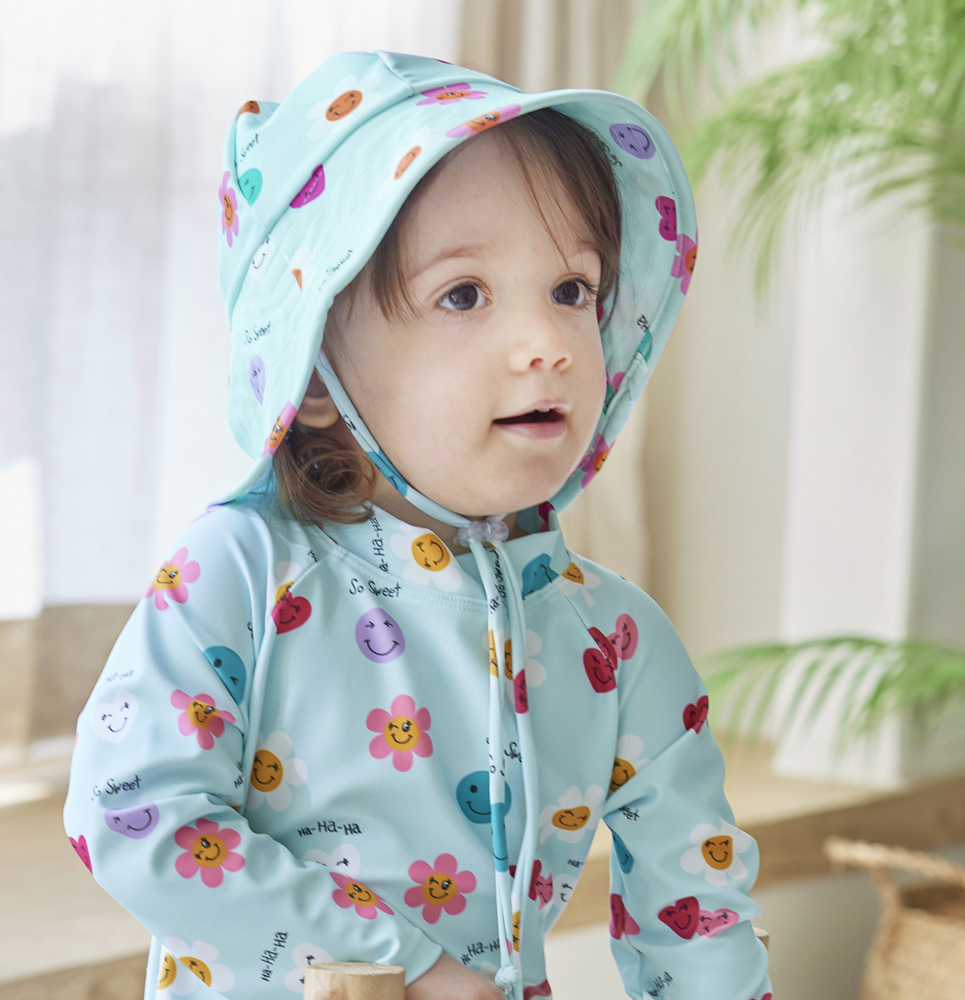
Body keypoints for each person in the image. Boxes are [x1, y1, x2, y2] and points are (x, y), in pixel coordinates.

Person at [64, 50, 770, 1000]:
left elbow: (700, 918)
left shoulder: (618, 642)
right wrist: (408, 965)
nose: (549, 345)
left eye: (572, 289)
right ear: (315, 373)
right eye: (464, 294)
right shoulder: (238, 574)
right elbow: (133, 811)